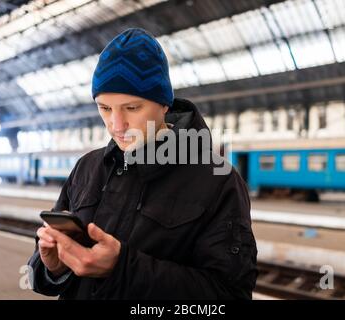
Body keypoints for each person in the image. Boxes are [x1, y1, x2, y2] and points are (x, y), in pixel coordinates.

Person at [27, 28, 257, 299]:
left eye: (132, 108)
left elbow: (228, 295)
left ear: (163, 105)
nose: (116, 124)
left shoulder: (218, 181)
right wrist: (53, 268)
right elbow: (43, 272)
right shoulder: (86, 168)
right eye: (105, 108)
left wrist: (122, 268)